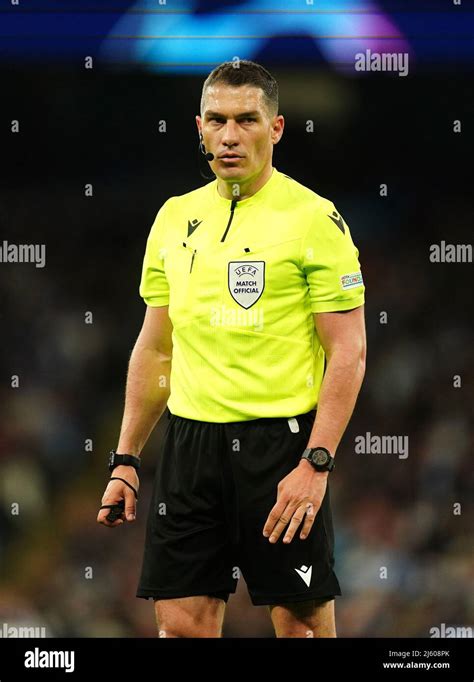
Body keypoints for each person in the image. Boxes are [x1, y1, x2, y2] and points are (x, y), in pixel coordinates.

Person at [97, 59, 366, 638]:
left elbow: (349, 352)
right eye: (216, 120)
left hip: (281, 447)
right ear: (198, 126)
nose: (229, 135)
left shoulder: (315, 218)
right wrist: (125, 460)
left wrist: (316, 464)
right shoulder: (174, 218)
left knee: (302, 628)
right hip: (190, 447)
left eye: (247, 119)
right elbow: (156, 349)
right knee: (180, 627)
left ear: (277, 129)